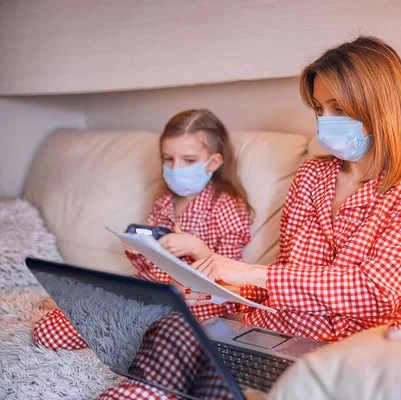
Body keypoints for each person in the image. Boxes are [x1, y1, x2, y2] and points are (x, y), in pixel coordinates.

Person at [100, 35, 401, 399]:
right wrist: (222, 293)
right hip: (278, 335)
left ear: (380, 106)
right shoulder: (311, 176)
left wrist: (248, 272)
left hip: (355, 351)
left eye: (338, 108)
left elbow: (377, 292)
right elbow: (286, 275)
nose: (324, 122)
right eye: (319, 109)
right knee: (170, 341)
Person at [33, 109, 252, 351]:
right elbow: (149, 267)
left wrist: (197, 249)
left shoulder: (227, 206)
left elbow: (233, 282)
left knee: (157, 332)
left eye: (188, 160)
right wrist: (137, 250)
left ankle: (111, 322)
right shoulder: (165, 200)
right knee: (48, 329)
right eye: (168, 159)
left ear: (213, 162)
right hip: (148, 293)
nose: (176, 168)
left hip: (191, 306)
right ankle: (92, 309)